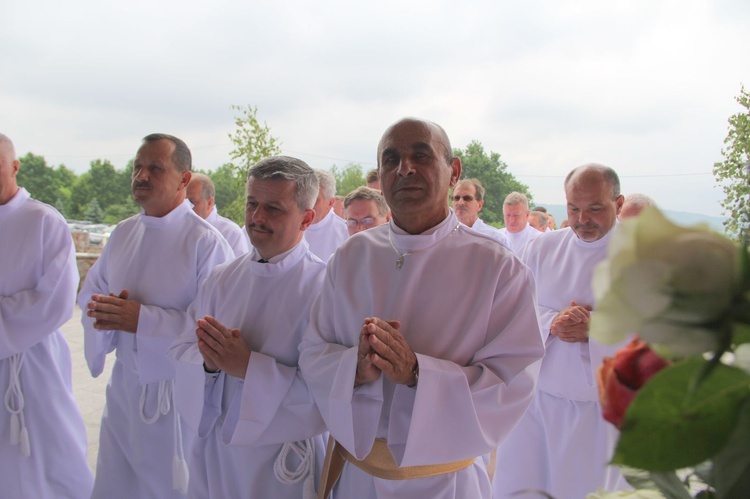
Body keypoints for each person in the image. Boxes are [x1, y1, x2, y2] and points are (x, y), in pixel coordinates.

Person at [299, 118, 544, 499]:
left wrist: (418, 373)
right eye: (391, 158)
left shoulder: (498, 268)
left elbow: (513, 383)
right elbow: (313, 352)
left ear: (454, 171)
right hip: (357, 478)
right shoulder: (351, 257)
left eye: (421, 155)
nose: (405, 168)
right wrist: (356, 368)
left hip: (444, 482)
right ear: (380, 175)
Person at [79, 133, 234, 499]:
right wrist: (102, 312)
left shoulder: (206, 243)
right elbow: (90, 292)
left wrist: (141, 320)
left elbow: (216, 325)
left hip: (176, 395)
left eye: (154, 168)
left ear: (184, 179)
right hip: (125, 388)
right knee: (115, 484)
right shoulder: (123, 233)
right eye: (137, 167)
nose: (141, 176)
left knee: (170, 488)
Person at [170, 156, 327, 499]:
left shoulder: (326, 289)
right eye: (252, 204)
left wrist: (248, 367)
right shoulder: (221, 278)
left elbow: (332, 390)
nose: (257, 217)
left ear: (307, 218)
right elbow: (182, 350)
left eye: (273, 208)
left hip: (283, 463)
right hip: (218, 453)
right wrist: (209, 363)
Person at [493, 163, 630, 499]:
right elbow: (510, 309)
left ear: (620, 204)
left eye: (595, 208)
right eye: (573, 208)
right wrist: (551, 322)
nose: (583, 218)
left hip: (599, 413)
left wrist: (597, 329)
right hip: (536, 404)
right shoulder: (542, 248)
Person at [0, 133, 93, 498]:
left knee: (49, 454)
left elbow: (54, 300)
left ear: (15, 166)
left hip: (34, 365)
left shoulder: (43, 222)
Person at [187, 172, 250, 256]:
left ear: (209, 202)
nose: (187, 207)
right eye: (183, 202)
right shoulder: (177, 229)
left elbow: (241, 268)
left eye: (191, 202)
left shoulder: (231, 233)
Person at [304, 169, 348, 260]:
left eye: (315, 199)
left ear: (330, 203)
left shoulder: (346, 233)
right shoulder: (288, 225)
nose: (307, 203)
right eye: (305, 197)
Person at [452, 178, 509, 246]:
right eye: (456, 198)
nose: (460, 202)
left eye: (467, 198)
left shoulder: (496, 239)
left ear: (479, 205)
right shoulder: (443, 236)